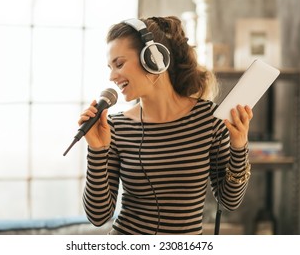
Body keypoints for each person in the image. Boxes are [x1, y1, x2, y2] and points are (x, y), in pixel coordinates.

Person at [79, 16, 253, 235]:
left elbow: (230, 200)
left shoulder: (209, 119)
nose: (112, 76)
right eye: (110, 67)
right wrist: (96, 150)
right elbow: (98, 216)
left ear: (153, 58)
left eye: (119, 64)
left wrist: (239, 146)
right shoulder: (115, 127)